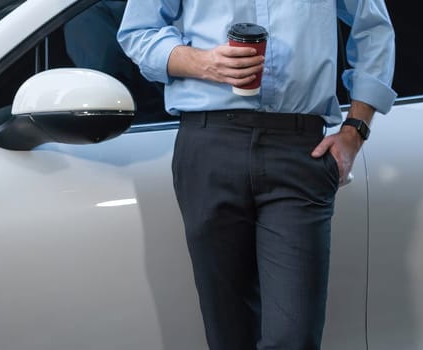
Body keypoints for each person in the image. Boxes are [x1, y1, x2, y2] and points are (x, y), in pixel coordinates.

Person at [117, 1, 395, 349]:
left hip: (299, 148)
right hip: (209, 143)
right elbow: (137, 33)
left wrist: (355, 130)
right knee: (229, 336)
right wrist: (205, 63)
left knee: (294, 338)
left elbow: (373, 29)